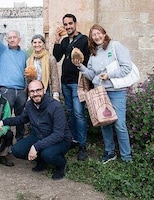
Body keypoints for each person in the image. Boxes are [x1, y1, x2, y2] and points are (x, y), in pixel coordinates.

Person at [73, 24, 133, 163]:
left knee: (120, 124)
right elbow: (91, 74)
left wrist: (109, 75)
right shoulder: (93, 53)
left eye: (99, 33)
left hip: (116, 91)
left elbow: (127, 67)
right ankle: (109, 152)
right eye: (93, 35)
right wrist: (80, 66)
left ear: (104, 34)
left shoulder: (115, 46)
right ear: (91, 38)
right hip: (100, 92)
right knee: (105, 122)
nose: (97, 36)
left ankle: (126, 157)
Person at [0, 80, 72, 180]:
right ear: (29, 93)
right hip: (39, 136)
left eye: (38, 90)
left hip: (60, 140)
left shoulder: (55, 106)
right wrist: (3, 122)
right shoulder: (30, 105)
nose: (35, 94)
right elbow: (21, 119)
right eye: (32, 91)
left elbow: (58, 134)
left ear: (44, 90)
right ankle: (41, 160)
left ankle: (61, 165)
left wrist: (36, 146)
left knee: (48, 154)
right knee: (17, 150)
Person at [52, 13, 90, 161]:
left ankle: (82, 145)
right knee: (70, 112)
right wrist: (57, 40)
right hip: (65, 82)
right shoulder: (65, 40)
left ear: (75, 24)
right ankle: (74, 139)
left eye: (70, 24)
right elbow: (56, 57)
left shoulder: (84, 40)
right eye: (65, 24)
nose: (68, 27)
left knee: (79, 113)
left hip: (77, 82)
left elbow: (88, 60)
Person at [0, 19, 27, 141]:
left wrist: (26, 87)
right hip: (6, 90)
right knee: (5, 116)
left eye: (14, 37)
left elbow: (26, 71)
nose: (11, 39)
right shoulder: (3, 50)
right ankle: (6, 142)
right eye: (9, 37)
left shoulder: (24, 54)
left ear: (19, 39)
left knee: (21, 117)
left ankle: (20, 141)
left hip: (21, 91)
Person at [26, 34, 61, 100]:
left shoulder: (50, 59)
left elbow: (54, 77)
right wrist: (29, 94)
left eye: (39, 42)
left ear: (43, 44)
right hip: (34, 90)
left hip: (46, 89)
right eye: (35, 42)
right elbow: (28, 79)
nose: (37, 45)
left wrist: (56, 94)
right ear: (32, 44)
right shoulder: (29, 60)